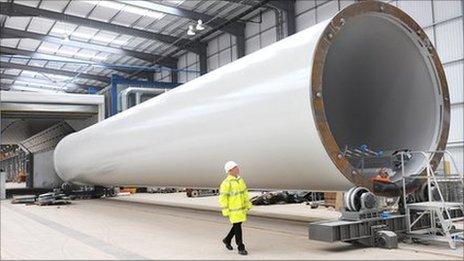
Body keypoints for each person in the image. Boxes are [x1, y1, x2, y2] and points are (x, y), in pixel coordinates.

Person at [219, 161, 252, 255]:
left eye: (237, 167)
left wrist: (248, 204)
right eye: (235, 168)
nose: (238, 169)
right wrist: (225, 209)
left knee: (237, 226)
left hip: (241, 209)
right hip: (233, 210)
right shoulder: (226, 183)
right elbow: (223, 198)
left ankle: (227, 239)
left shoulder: (240, 180)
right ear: (230, 170)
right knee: (237, 227)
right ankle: (241, 247)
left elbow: (244, 193)